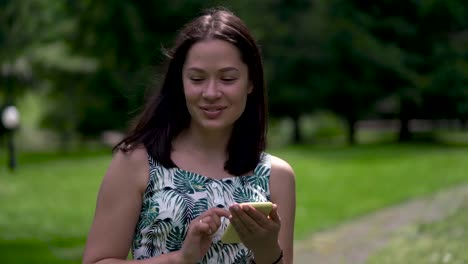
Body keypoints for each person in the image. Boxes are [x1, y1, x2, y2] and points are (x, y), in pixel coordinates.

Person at [82, 7, 296, 264]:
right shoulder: (137, 163)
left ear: (251, 83)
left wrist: (266, 249)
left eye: (227, 79)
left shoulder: (276, 176)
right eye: (197, 78)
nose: (211, 92)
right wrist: (181, 259)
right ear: (180, 82)